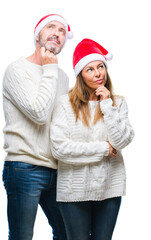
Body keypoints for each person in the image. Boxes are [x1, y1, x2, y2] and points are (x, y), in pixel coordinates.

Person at [50, 38, 134, 240]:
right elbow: (60, 149)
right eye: (90, 69)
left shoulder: (117, 103)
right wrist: (104, 149)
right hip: (73, 192)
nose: (98, 74)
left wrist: (106, 104)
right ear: (80, 74)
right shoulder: (64, 104)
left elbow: (122, 141)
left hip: (109, 190)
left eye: (101, 66)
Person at [2, 14, 73, 240]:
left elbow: (63, 122)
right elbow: (39, 114)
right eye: (51, 27)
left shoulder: (62, 77)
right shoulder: (17, 70)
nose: (57, 33)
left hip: (56, 170)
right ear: (37, 35)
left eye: (62, 31)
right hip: (24, 168)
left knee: (68, 233)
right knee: (22, 236)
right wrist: (50, 70)